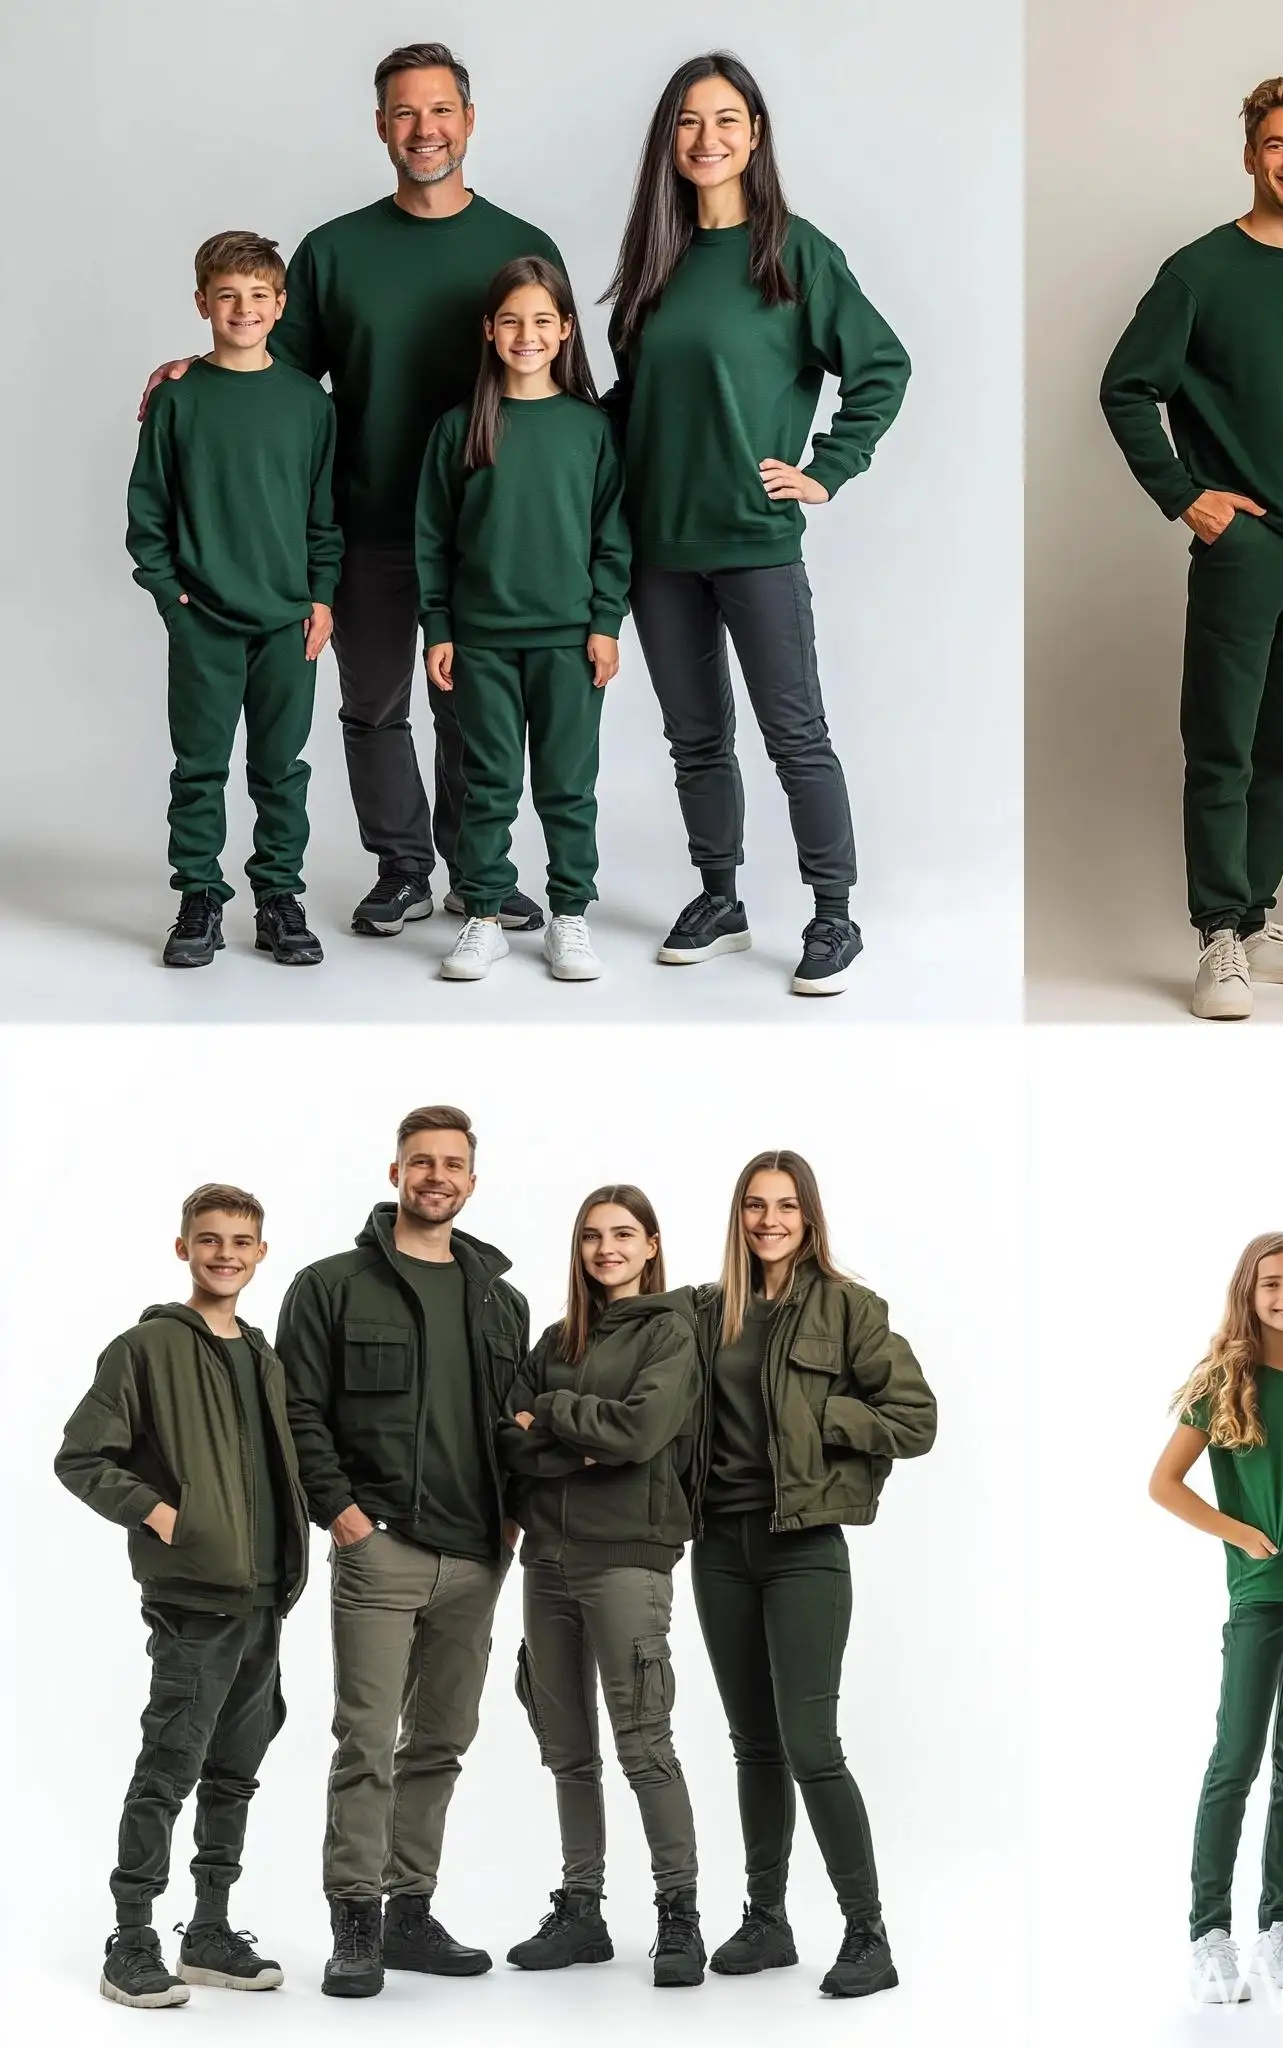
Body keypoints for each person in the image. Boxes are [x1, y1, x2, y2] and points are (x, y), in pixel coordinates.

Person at [139, 42, 564, 938]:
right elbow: (262, 378)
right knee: (374, 709)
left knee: (473, 713)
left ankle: (477, 873)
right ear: (380, 127)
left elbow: (563, 385)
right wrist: (185, 369)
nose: (425, 129)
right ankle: (402, 867)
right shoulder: (334, 251)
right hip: (367, 524)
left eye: (441, 109)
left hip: (483, 532)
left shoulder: (521, 246)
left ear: (470, 120)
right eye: (404, 113)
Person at [605, 53, 910, 996]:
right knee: (694, 738)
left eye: (726, 120)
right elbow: (632, 405)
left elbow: (882, 366)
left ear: (755, 135)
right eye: (689, 122)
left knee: (795, 735)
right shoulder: (652, 263)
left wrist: (825, 470)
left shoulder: (794, 252)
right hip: (660, 546)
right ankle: (721, 899)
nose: (707, 139)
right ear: (670, 139)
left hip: (754, 540)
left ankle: (833, 914)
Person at [1101, 72, 1283, 1022]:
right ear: (1251, 154)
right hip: (1243, 544)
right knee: (1222, 744)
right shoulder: (1199, 272)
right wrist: (1185, 495)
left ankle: (1257, 919)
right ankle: (1217, 932)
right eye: (1278, 146)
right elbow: (1126, 385)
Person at [277, 1105, 530, 1998]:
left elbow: (512, 1425)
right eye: (420, 1161)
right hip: (380, 1549)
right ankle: (354, 1919)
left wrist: (510, 1524)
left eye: (452, 1163)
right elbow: (297, 1411)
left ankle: (409, 1911)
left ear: (472, 1180)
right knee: (366, 1742)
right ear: (395, 1175)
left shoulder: (503, 1298)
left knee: (442, 1742)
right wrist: (343, 1515)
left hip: (477, 1559)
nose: (436, 1176)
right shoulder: (330, 1285)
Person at [687, 1150, 937, 1997]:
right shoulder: (706, 1311)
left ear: (809, 1217)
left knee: (810, 1745)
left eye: (785, 1207)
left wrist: (821, 1414)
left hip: (804, 1550)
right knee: (752, 1745)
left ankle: (868, 1935)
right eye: (755, 1206)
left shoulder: (847, 1307)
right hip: (720, 1547)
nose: (768, 1221)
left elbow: (916, 1417)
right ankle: (767, 1920)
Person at [55, 1185, 308, 2008]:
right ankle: (130, 1936)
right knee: (171, 1762)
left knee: (235, 1770)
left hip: (265, 1595)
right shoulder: (147, 1347)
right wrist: (164, 1513)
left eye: (241, 1241)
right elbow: (82, 1457)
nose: (226, 1253)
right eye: (210, 1240)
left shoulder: (263, 1354)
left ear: (261, 1252)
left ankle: (208, 1930)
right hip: (196, 1597)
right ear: (184, 1249)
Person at [497, 1187, 706, 1985]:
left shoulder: (672, 1332)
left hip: (628, 1558)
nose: (606, 1248)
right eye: (592, 1235)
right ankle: (581, 1910)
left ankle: (678, 1914)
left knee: (644, 1741)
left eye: (623, 1234)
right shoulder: (556, 1338)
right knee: (566, 1750)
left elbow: (643, 1432)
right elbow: (508, 1444)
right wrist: (577, 1442)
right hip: (545, 1562)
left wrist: (550, 1412)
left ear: (651, 1245)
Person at [1149, 1233, 1283, 2005]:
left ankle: (1281, 1924)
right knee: (1234, 1761)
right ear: (1249, 1293)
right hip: (1262, 1598)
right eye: (1272, 1284)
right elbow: (1164, 1484)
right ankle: (1210, 1932)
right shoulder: (1221, 1383)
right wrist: (1239, 1532)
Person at [127, 232, 340, 970]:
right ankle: (199, 899)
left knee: (281, 770)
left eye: (258, 296)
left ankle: (278, 898)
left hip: (289, 624)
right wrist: (172, 599)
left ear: (281, 305)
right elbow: (147, 515)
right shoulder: (178, 399)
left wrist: (322, 597)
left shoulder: (308, 404)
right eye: (227, 296)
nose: (243, 309)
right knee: (199, 769)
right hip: (204, 622)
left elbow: (323, 516)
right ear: (202, 304)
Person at [416, 256, 631, 984]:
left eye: (543, 320)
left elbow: (612, 536)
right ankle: (483, 915)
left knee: (568, 785)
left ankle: (569, 914)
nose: (527, 333)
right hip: (480, 642)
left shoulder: (590, 430)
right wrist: (438, 627)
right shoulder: (459, 429)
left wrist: (606, 622)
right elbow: (433, 540)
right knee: (488, 782)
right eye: (511, 320)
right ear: (489, 330)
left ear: (567, 329)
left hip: (570, 642)